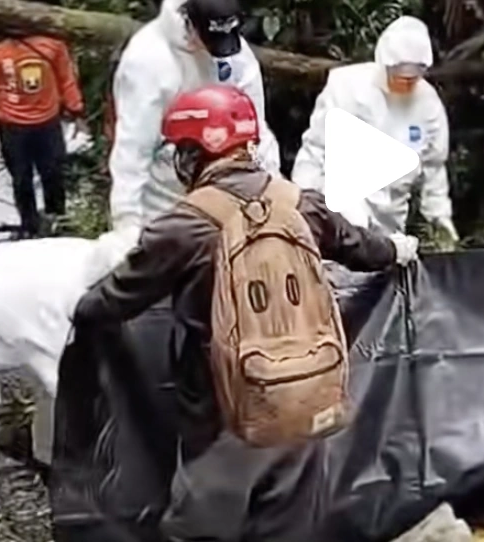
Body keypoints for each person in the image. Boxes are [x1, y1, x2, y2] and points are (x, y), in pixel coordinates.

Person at [73, 84, 418, 472]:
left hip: (218, 409)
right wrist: (398, 249)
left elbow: (114, 299)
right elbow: (362, 249)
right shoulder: (300, 203)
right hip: (307, 391)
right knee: (290, 505)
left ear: (191, 154)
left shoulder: (182, 227)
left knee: (205, 516)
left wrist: (78, 306)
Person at [0, 229, 133, 510]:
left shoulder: (107, 259)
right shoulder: (62, 309)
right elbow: (73, 387)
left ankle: (48, 458)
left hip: (8, 289)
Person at [107, 0, 282, 239]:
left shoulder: (237, 55)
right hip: (166, 196)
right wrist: (127, 225)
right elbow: (132, 151)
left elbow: (256, 127)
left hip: (229, 191)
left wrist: (276, 190)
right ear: (189, 24)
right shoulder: (147, 60)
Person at [291, 16, 457, 244]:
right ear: (384, 64)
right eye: (399, 76)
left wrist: (441, 220)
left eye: (412, 78)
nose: (405, 83)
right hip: (338, 214)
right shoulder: (346, 88)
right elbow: (314, 152)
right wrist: (304, 209)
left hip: (390, 220)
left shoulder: (428, 105)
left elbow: (434, 169)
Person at [0, 25, 88, 236]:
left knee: (53, 174)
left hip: (48, 122)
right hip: (12, 125)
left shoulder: (52, 42)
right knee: (21, 179)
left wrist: (77, 111)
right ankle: (30, 227)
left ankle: (58, 222)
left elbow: (66, 79)